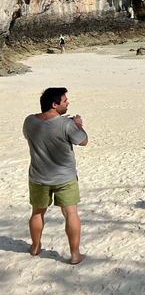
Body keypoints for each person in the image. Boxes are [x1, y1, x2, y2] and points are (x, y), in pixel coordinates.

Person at [23, 87, 89, 264]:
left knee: (37, 213)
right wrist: (77, 124)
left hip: (39, 176)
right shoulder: (66, 124)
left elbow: (37, 132)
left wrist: (62, 123)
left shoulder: (29, 121)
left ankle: (35, 247)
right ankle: (75, 254)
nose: (68, 103)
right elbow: (83, 140)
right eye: (65, 101)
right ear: (54, 104)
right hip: (64, 178)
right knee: (71, 214)